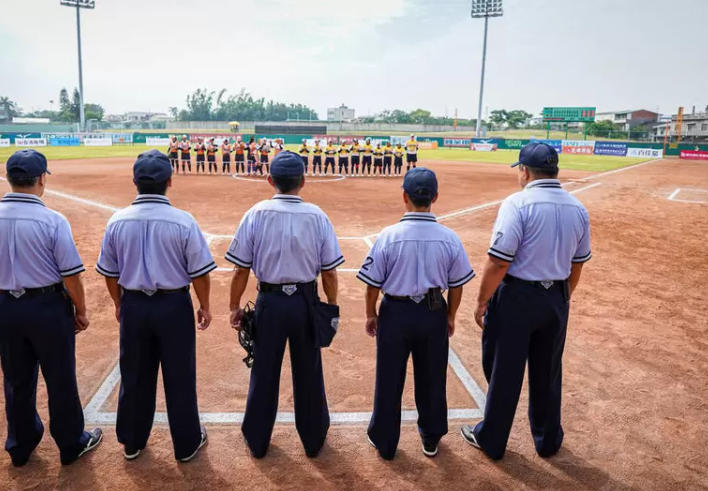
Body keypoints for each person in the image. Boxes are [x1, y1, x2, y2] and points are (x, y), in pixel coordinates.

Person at [0, 149, 102, 467]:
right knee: (60, 378)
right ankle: (71, 444)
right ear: (41, 179)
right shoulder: (52, 220)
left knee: (16, 378)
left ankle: (20, 446)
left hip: (7, 308)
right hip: (48, 307)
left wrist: (0, 304)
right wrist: (80, 310)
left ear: (8, 178)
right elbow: (71, 274)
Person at [461, 142, 592, 460]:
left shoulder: (517, 204)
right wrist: (562, 297)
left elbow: (499, 261)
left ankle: (492, 440)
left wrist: (481, 302)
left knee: (505, 369)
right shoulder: (578, 207)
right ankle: (547, 440)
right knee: (548, 371)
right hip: (556, 298)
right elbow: (578, 263)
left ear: (524, 170)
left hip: (517, 297)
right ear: (555, 170)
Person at [96, 149, 215, 462]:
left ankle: (132, 441)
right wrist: (204, 305)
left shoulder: (117, 221)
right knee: (179, 374)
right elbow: (199, 272)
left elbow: (110, 273)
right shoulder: (183, 222)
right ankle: (187, 443)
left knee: (134, 373)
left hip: (135, 305)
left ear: (134, 181)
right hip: (174, 305)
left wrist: (120, 303)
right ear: (170, 181)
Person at [226, 151, 343, 458]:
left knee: (264, 370)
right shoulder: (318, 215)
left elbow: (240, 269)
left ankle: (257, 439)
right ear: (303, 181)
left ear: (270, 180)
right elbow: (329, 271)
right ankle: (314, 438)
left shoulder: (256, 213)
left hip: (270, 302)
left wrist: (234, 306)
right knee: (309, 370)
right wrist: (330, 305)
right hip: (305, 302)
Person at [358, 167, 474, 459]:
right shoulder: (449, 238)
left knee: (389, 378)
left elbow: (373, 284)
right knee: (432, 376)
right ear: (435, 197)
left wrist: (371, 313)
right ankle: (431, 438)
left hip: (395, 313)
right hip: (433, 313)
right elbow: (457, 284)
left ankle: (385, 441)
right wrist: (450, 317)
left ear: (404, 197)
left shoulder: (388, 236)